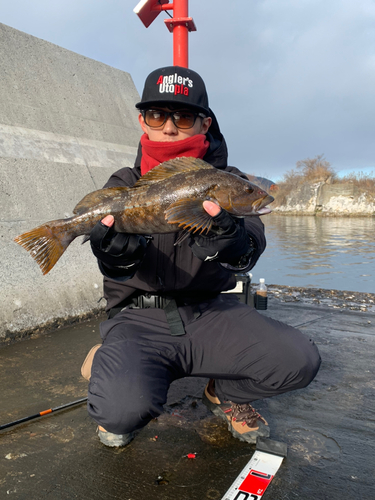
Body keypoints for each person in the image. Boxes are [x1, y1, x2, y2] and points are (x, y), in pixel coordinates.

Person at [86, 66, 321, 447]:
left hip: (212, 314)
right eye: (157, 115)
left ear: (205, 123)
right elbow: (113, 259)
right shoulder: (124, 183)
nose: (169, 127)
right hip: (139, 320)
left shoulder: (233, 182)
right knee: (118, 412)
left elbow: (250, 249)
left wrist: (233, 244)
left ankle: (224, 394)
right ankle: (110, 362)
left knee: (299, 361)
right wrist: (114, 257)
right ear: (142, 121)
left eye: (183, 116)